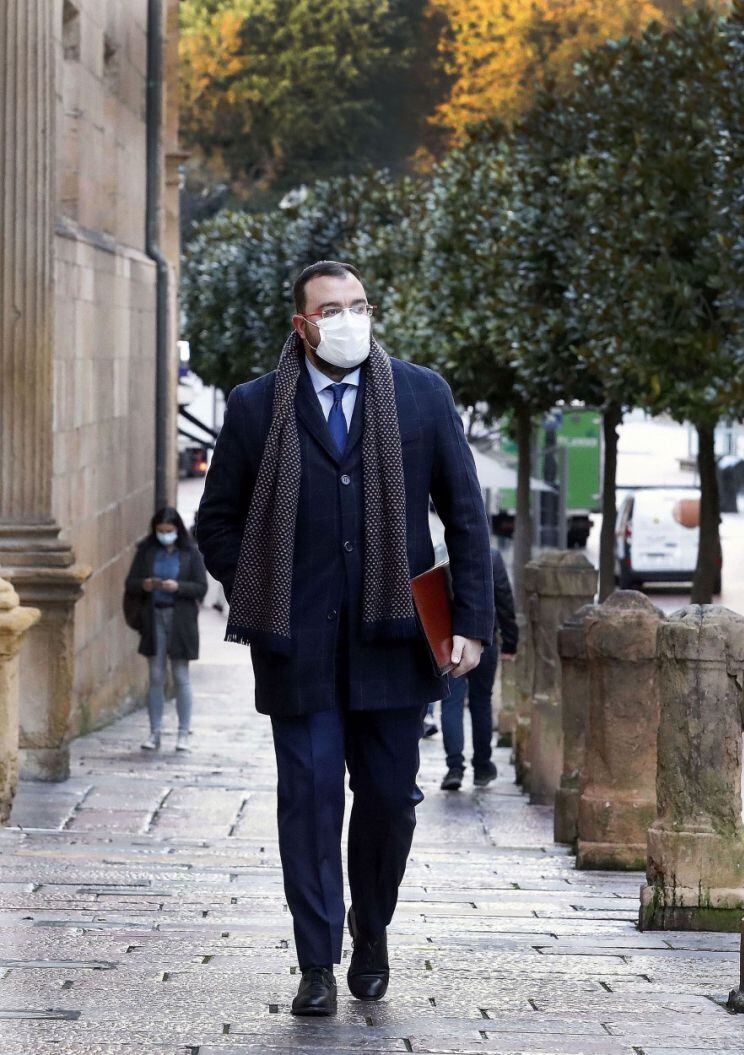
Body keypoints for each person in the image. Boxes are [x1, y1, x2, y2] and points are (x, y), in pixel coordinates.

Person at [195, 261, 493, 1018]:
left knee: (391, 799)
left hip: (394, 642)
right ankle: (316, 961)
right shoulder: (257, 405)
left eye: (359, 304)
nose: (349, 319)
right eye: (332, 308)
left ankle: (372, 926)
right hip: (296, 648)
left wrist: (472, 622)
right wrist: (259, 583)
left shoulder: (423, 395)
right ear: (302, 324)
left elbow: (465, 513)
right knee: (310, 797)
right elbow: (217, 521)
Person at [124, 507, 208, 752]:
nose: (164, 535)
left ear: (177, 530)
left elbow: (200, 587)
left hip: (180, 618)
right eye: (160, 531)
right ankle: (154, 732)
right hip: (154, 616)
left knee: (181, 676)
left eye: (169, 531)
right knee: (156, 676)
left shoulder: (190, 552)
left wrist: (178, 586)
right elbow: (131, 583)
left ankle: (183, 733)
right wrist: (145, 584)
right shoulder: (147, 551)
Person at [440, 547, 518, 790]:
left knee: (450, 702)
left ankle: (454, 767)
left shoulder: (445, 555)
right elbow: (505, 601)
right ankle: (482, 766)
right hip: (485, 639)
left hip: (450, 642)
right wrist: (511, 642)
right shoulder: (492, 557)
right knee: (481, 703)